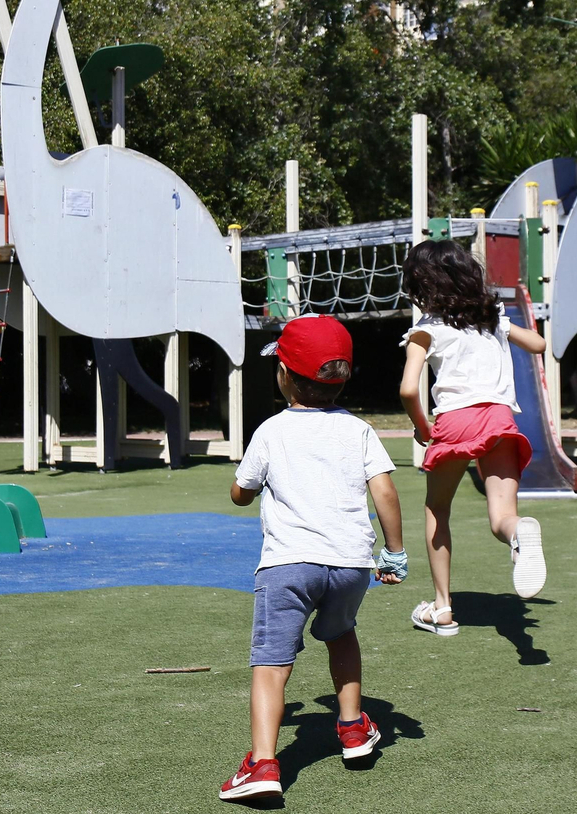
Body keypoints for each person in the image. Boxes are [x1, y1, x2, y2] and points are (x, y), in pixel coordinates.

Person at [219, 315, 406, 802]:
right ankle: (351, 728)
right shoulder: (360, 430)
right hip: (350, 566)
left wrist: (242, 488)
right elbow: (384, 490)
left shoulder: (271, 431)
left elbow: (242, 493)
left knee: (271, 664)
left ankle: (263, 763)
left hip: (287, 566)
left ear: (284, 374)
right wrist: (395, 552)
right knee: (341, 634)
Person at [398, 238, 548, 638]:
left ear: (421, 284)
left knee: (437, 509)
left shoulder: (426, 329)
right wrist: (504, 325)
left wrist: (421, 426)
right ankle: (518, 532)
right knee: (501, 516)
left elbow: (409, 389)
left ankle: (442, 608)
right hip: (499, 417)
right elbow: (539, 344)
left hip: (455, 419)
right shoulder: (492, 318)